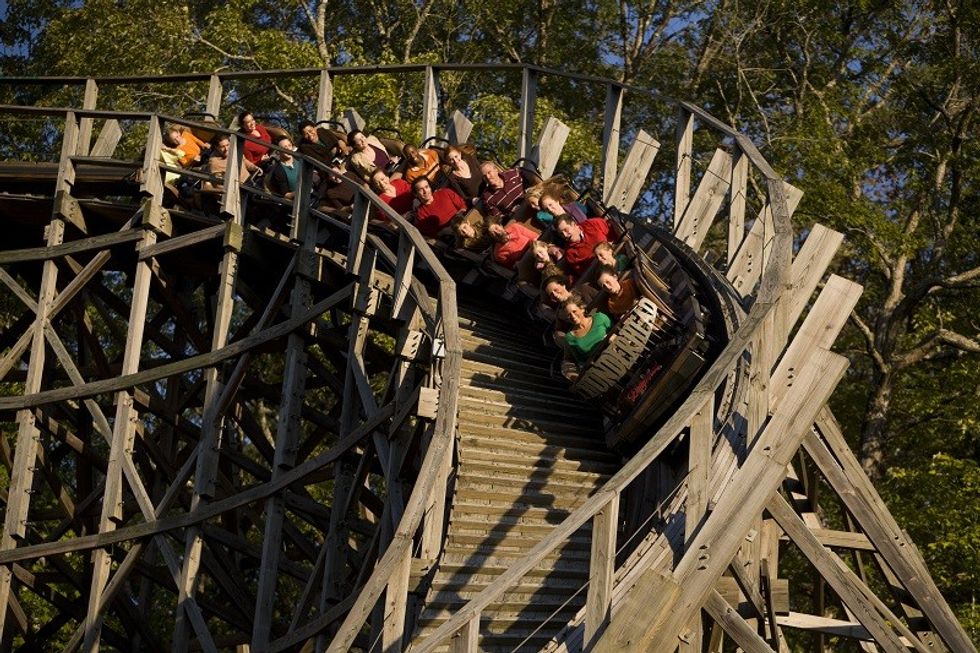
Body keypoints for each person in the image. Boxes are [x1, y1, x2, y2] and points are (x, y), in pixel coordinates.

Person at [555, 214, 615, 279]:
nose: (565, 235)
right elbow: (585, 275)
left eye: (566, 230)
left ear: (573, 224)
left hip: (616, 254)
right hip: (605, 274)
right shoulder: (570, 253)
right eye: (561, 234)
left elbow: (615, 233)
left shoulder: (591, 224)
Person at [562, 293, 613, 367]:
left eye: (574, 311)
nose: (572, 316)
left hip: (614, 352)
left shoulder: (599, 317)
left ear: (582, 309)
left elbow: (616, 331)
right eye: (569, 315)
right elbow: (580, 361)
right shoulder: (569, 337)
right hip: (598, 366)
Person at [266, 136, 299, 200]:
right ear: (278, 151)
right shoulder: (279, 170)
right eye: (284, 148)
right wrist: (298, 192)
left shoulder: (299, 160)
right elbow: (286, 195)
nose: (288, 149)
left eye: (289, 145)